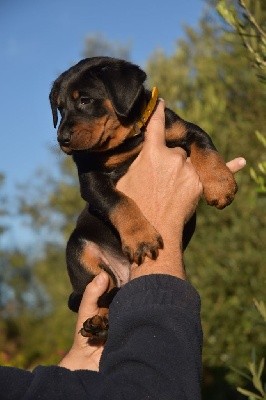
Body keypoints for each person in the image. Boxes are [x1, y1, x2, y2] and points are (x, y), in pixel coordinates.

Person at [0, 101, 245, 399]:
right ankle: (104, 305)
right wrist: (158, 236)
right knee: (80, 247)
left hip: (110, 338)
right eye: (61, 114)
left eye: (84, 103)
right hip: (108, 248)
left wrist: (75, 369)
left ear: (123, 94)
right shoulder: (90, 158)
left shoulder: (161, 120)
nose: (65, 128)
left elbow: (195, 137)